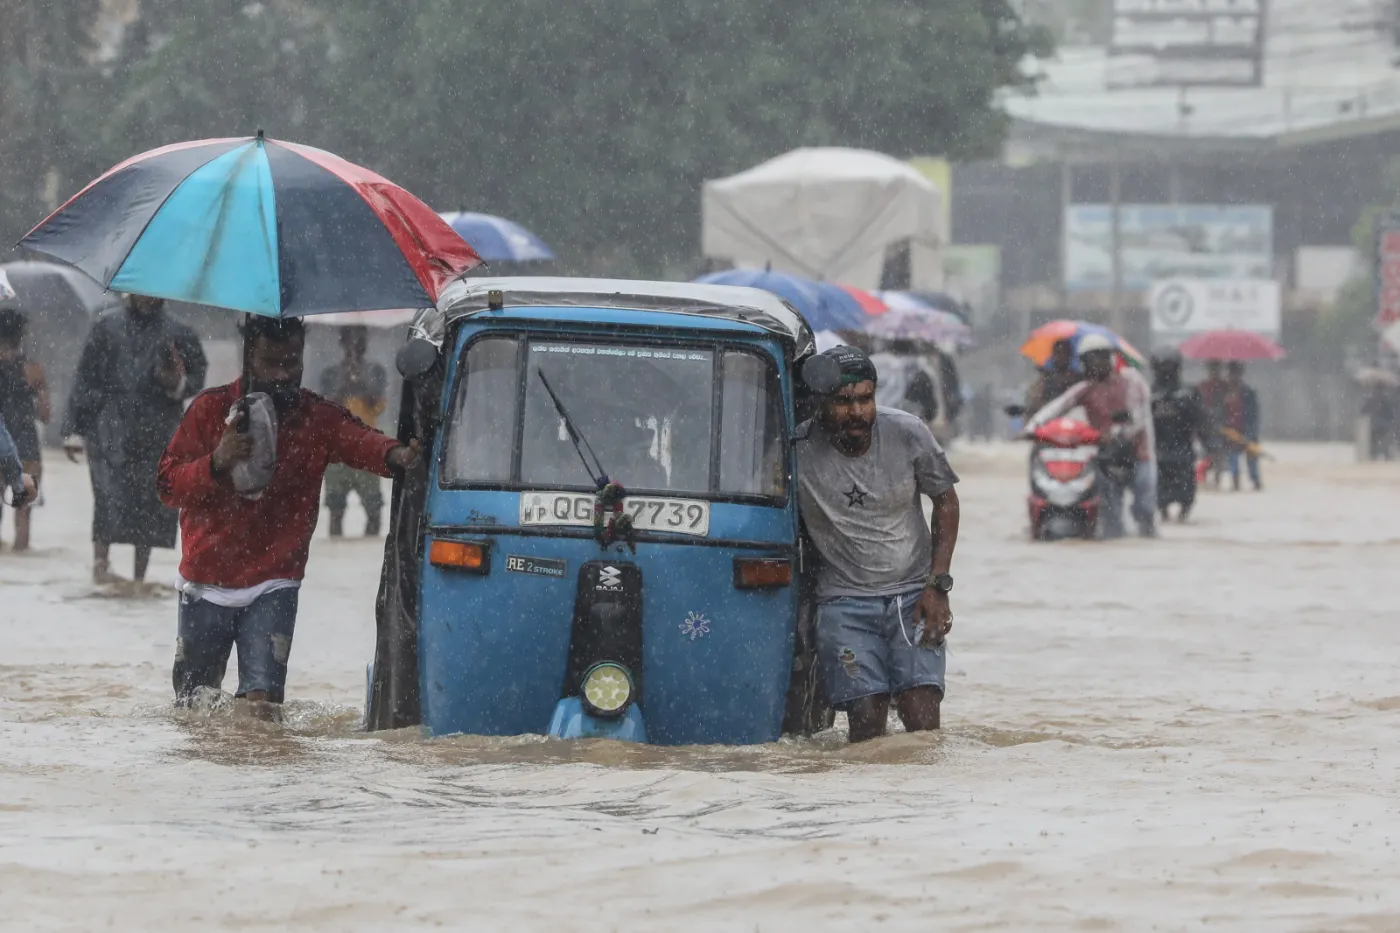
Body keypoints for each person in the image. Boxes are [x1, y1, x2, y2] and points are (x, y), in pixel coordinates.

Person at [158, 316, 420, 716]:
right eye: (271, 362)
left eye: (292, 362)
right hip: (204, 582)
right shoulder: (209, 411)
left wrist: (399, 456)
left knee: (262, 711)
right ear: (249, 358)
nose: (284, 374)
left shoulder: (315, 416)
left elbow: (362, 442)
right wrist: (216, 462)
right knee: (193, 709)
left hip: (274, 582)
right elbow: (167, 485)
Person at [796, 346, 960, 743]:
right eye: (843, 402)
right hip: (844, 602)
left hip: (913, 596)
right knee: (866, 725)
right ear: (820, 404)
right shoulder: (795, 448)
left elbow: (946, 500)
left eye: (865, 399)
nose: (857, 412)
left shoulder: (908, 433)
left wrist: (938, 585)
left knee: (921, 721)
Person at [63, 294, 207, 583]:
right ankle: (100, 568)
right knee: (106, 496)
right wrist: (73, 429)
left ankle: (138, 580)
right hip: (109, 426)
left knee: (149, 502)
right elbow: (85, 377)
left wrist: (175, 382)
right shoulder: (106, 326)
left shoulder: (178, 331)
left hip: (158, 426)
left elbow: (196, 376)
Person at [1075, 334, 1155, 538]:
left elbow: (1142, 411)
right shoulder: (1085, 389)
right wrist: (1034, 425)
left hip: (1137, 453)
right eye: (1090, 359)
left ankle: (1147, 535)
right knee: (1110, 511)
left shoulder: (1131, 379)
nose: (1096, 364)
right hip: (1106, 456)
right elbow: (1060, 407)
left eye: (1100, 357)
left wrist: (1125, 426)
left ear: (1110, 358)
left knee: (1144, 503)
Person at [318, 326, 389, 536]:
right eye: (350, 340)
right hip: (337, 449)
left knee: (374, 509)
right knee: (336, 509)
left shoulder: (376, 372)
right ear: (342, 342)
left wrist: (360, 380)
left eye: (360, 340)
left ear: (365, 344)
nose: (355, 345)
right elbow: (325, 408)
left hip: (367, 447)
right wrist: (344, 386)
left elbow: (377, 403)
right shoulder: (330, 374)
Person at [0, 309, 49, 550]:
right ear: (21, 335)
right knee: (23, 512)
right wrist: (38, 388)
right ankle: (20, 554)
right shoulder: (33, 369)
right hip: (26, 446)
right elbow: (45, 415)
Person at [1150, 349, 1206, 522]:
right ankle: (1165, 516)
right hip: (1159, 451)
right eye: (1163, 366)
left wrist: (1208, 446)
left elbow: (1199, 420)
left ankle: (1183, 516)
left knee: (1186, 493)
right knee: (1160, 493)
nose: (1167, 370)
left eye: (1170, 366)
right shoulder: (1148, 393)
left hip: (1183, 449)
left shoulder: (1188, 392)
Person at [1221, 361, 1262, 491]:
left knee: (1252, 458)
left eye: (1236, 373)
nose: (1234, 376)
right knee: (1232, 458)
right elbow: (1221, 413)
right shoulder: (1224, 392)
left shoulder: (1248, 392)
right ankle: (1235, 482)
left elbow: (1254, 414)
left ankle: (1255, 481)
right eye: (1232, 373)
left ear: (1241, 374)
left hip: (1247, 431)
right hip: (1231, 432)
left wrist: (1250, 434)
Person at [1025, 339, 1080, 416]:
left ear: (1069, 355)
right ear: (1053, 355)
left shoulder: (1076, 377)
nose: (1061, 356)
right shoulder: (1045, 377)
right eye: (1058, 352)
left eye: (1064, 353)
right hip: (1048, 418)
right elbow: (1034, 400)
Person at [1197, 359, 1229, 487]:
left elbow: (1228, 406)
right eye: (1212, 369)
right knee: (1208, 455)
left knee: (1219, 454)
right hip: (1207, 426)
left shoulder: (1224, 386)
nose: (1214, 372)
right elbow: (1199, 404)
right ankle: (1204, 478)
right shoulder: (1203, 386)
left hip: (1221, 425)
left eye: (1216, 369)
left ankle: (1217, 479)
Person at [1361, 383, 1397, 460]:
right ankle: (1374, 455)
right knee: (1374, 441)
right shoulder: (1372, 401)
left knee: (1384, 442)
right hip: (1374, 426)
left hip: (1383, 426)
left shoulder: (1385, 402)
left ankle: (1384, 455)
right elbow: (1363, 411)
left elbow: (1391, 415)